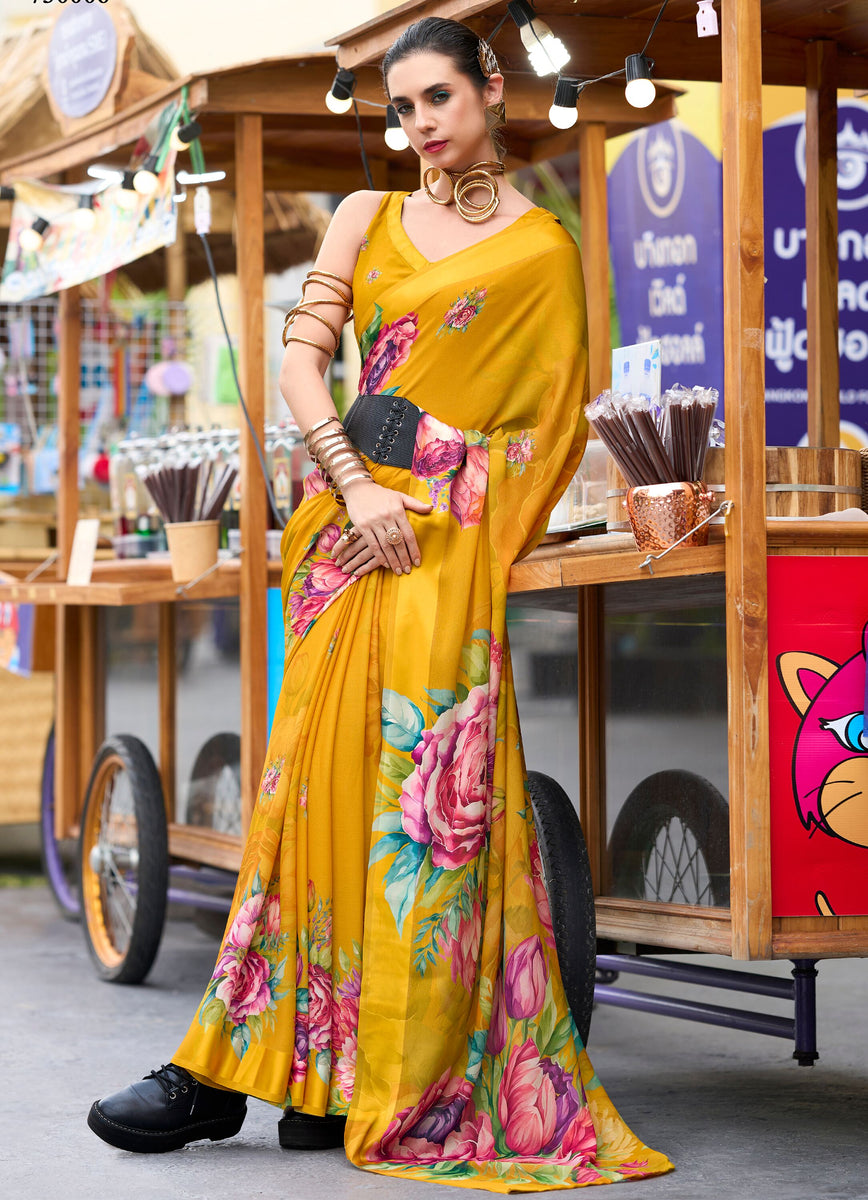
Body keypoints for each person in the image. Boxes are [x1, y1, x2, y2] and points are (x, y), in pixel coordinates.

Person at [88, 17, 673, 1190]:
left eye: (438, 100)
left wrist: (437, 474)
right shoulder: (368, 217)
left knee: (415, 817)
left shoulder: (546, 251)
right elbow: (306, 367)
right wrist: (357, 486)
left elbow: (548, 431)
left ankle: (360, 1075)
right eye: (402, 110)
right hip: (348, 544)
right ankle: (242, 1070)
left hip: (449, 553)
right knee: (307, 796)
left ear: (491, 89)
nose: (419, 127)